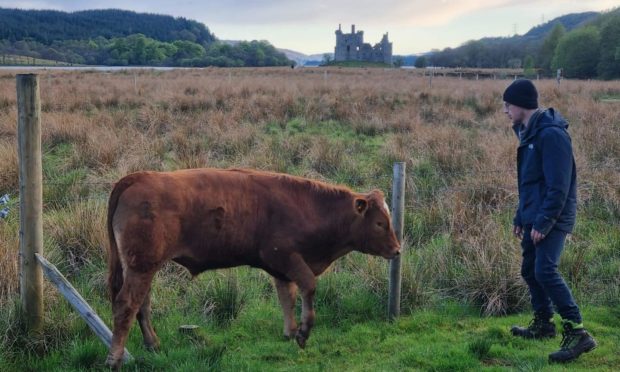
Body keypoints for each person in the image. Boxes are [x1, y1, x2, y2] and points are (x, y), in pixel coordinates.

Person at [502, 79, 596, 363]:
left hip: (555, 216)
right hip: (535, 213)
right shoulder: (528, 132)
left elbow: (559, 186)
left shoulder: (551, 135)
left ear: (521, 104)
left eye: (507, 105)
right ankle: (544, 324)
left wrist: (543, 222)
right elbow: (530, 183)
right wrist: (522, 216)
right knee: (531, 270)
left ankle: (578, 332)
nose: (504, 110)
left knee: (545, 271)